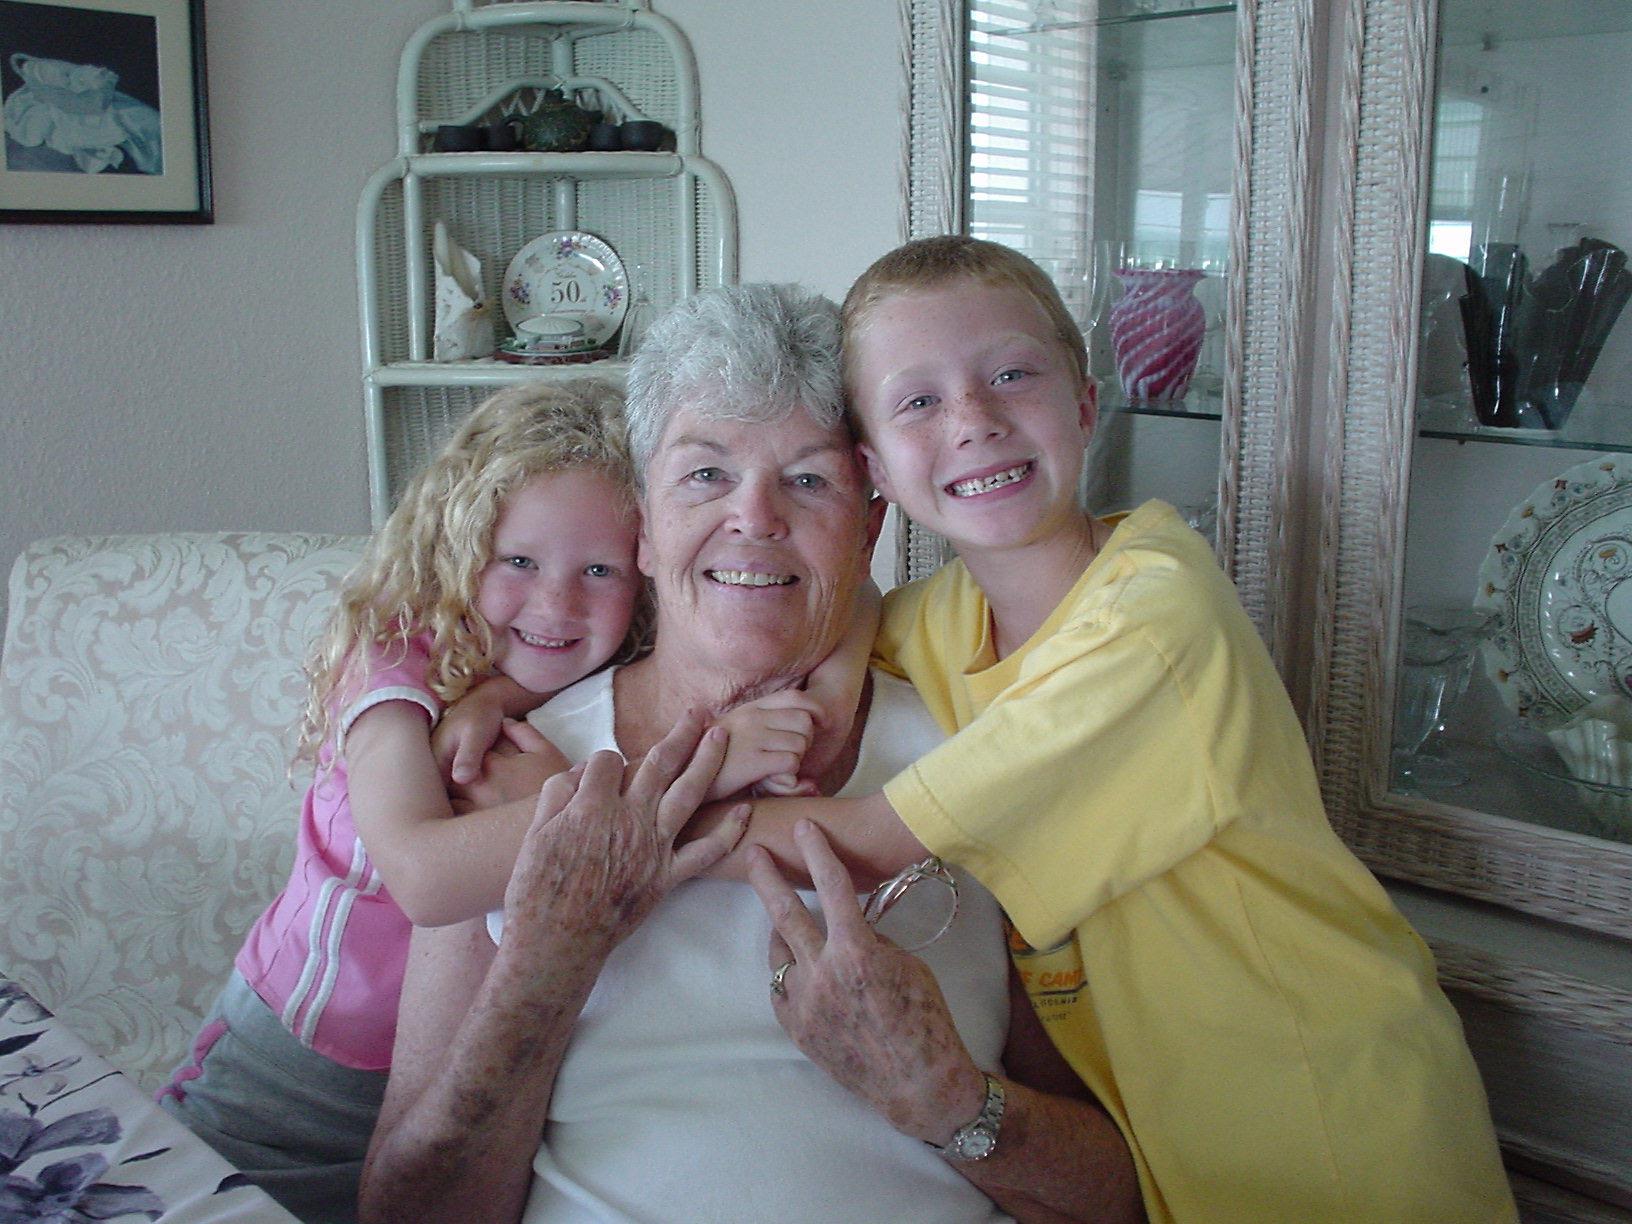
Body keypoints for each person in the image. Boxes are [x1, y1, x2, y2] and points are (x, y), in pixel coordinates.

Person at [713, 235, 1518, 1222]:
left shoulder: (1152, 617)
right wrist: (836, 687)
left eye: (1013, 375)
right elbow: (861, 611)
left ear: (1087, 405)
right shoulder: (955, 615)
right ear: (875, 467)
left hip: (1338, 1130)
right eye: (918, 401)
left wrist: (623, 835)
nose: (974, 420)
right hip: (1178, 1143)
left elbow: (869, 843)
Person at [359, 283, 1143, 1224]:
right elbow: (404, 1211)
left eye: (809, 481)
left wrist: (943, 1098)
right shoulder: (512, 771)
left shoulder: (973, 750)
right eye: (704, 475)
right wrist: (544, 971)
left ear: (869, 529)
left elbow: (1122, 1198)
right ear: (644, 530)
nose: (755, 518)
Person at [158, 380, 653, 1223]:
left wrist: (496, 696)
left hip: (452, 1090)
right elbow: (422, 876)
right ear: (458, 547)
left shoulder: (587, 671)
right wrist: (618, 811)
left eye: (599, 570)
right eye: (519, 562)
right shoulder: (391, 657)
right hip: (290, 1080)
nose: (557, 603)